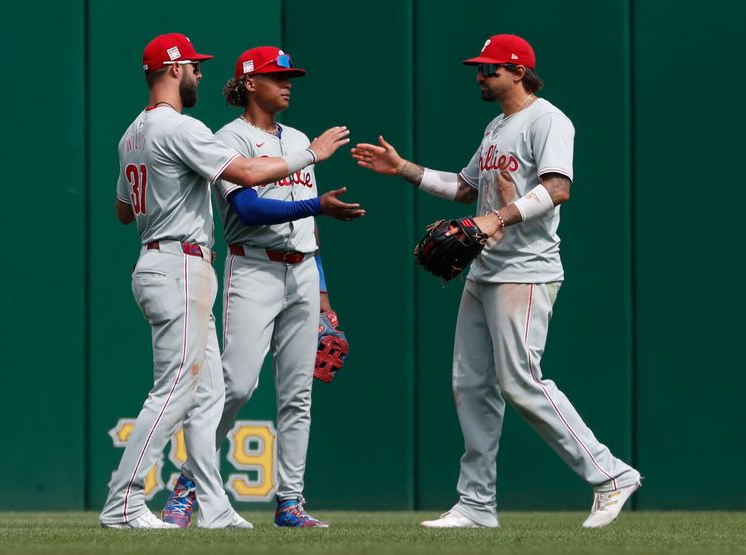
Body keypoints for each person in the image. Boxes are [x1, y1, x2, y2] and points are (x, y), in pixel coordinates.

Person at [351, 33, 641, 529]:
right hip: (486, 271)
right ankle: (476, 504)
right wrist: (404, 170)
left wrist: (498, 218)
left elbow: (558, 188)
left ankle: (610, 474)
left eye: (489, 69)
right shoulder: (496, 126)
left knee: (521, 381)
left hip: (526, 270)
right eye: (479, 68)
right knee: (470, 384)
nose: (480, 76)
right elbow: (466, 189)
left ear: (518, 72)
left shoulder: (547, 119)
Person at [99, 33, 350, 529]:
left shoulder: (132, 133)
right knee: (175, 390)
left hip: (162, 257)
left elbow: (124, 211)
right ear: (174, 69)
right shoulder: (182, 127)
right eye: (193, 66)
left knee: (209, 395)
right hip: (181, 262)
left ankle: (214, 508)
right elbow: (248, 176)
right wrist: (314, 157)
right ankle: (123, 502)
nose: (199, 74)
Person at [160, 46, 364, 529]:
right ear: (250, 83)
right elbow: (249, 210)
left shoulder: (296, 138)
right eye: (278, 76)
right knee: (236, 384)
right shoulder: (227, 138)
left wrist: (324, 300)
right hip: (253, 269)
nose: (288, 82)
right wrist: (316, 205)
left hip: (302, 273)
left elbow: (310, 233)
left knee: (298, 395)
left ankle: (290, 502)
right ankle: (190, 481)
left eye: (290, 75)